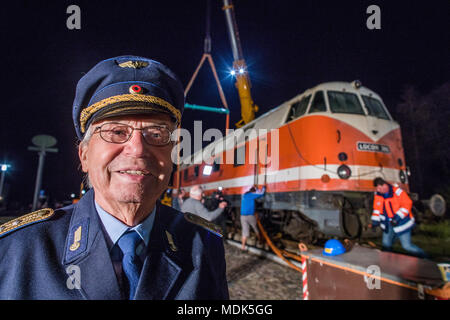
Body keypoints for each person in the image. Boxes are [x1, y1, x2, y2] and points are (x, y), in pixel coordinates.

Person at [0, 55, 229, 300]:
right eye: (117, 132)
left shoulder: (203, 245)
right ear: (84, 155)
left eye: (157, 133)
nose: (138, 149)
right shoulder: (19, 250)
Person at [369, 177, 426, 258]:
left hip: (402, 223)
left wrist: (397, 218)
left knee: (407, 246)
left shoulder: (398, 192)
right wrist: (374, 223)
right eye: (377, 188)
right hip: (388, 224)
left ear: (384, 185)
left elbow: (407, 204)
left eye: (379, 188)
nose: (377, 190)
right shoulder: (378, 195)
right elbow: (377, 209)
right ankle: (387, 263)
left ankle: (425, 258)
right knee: (386, 245)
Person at [240, 185, 265, 251]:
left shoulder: (244, 195)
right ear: (253, 192)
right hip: (250, 216)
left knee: (244, 232)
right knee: (255, 228)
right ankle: (260, 241)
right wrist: (264, 187)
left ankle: (243, 247)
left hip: (242, 216)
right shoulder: (251, 195)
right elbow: (261, 194)